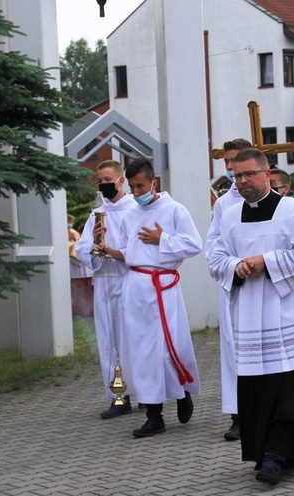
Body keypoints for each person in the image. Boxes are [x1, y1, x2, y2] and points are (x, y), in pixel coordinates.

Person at [208, 148, 294, 485]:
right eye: (236, 176)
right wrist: (235, 266)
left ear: (266, 173)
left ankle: (278, 455)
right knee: (257, 389)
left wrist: (265, 262)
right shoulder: (228, 216)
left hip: (287, 315)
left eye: (249, 174)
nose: (242, 181)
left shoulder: (293, 211)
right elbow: (214, 257)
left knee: (288, 387)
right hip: (249, 317)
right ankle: (269, 452)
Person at [97, 157, 202, 438]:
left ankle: (181, 394)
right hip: (135, 287)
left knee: (168, 347)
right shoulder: (131, 213)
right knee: (140, 352)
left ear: (153, 182)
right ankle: (154, 415)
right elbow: (129, 252)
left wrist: (163, 239)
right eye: (132, 188)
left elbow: (194, 245)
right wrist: (109, 250)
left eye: (141, 186)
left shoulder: (174, 210)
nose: (137, 193)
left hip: (162, 286)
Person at [76, 160, 137, 419]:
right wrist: (95, 245)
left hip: (130, 280)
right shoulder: (95, 215)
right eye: (100, 181)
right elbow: (81, 248)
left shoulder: (136, 209)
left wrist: (117, 251)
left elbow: (141, 248)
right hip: (104, 280)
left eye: (108, 180)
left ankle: (146, 391)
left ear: (121, 180)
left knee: (135, 337)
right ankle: (118, 395)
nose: (104, 185)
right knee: (109, 340)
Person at [205, 138, 253, 441]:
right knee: (234, 350)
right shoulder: (224, 203)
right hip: (236, 286)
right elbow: (212, 247)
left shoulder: (276, 200)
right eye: (227, 163)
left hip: (266, 285)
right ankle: (238, 413)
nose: (231, 167)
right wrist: (234, 266)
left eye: (236, 160)